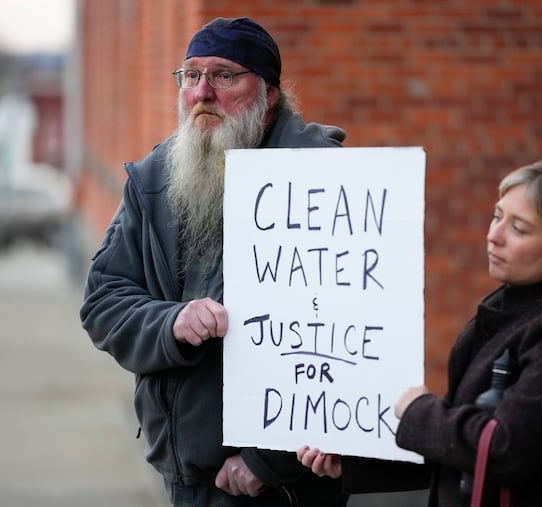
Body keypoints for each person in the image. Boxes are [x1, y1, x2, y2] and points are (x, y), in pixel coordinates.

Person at [79, 17, 348, 507]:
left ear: (268, 95)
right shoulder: (154, 178)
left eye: (224, 76)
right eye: (190, 75)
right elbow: (103, 302)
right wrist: (171, 322)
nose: (203, 91)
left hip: (285, 485)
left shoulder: (322, 178)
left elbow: (345, 342)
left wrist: (269, 461)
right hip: (185, 472)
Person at [298, 159, 542, 507]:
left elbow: (504, 448)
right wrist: (356, 462)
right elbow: (459, 449)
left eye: (519, 229)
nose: (494, 235)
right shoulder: (509, 312)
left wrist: (420, 410)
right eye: (497, 216)